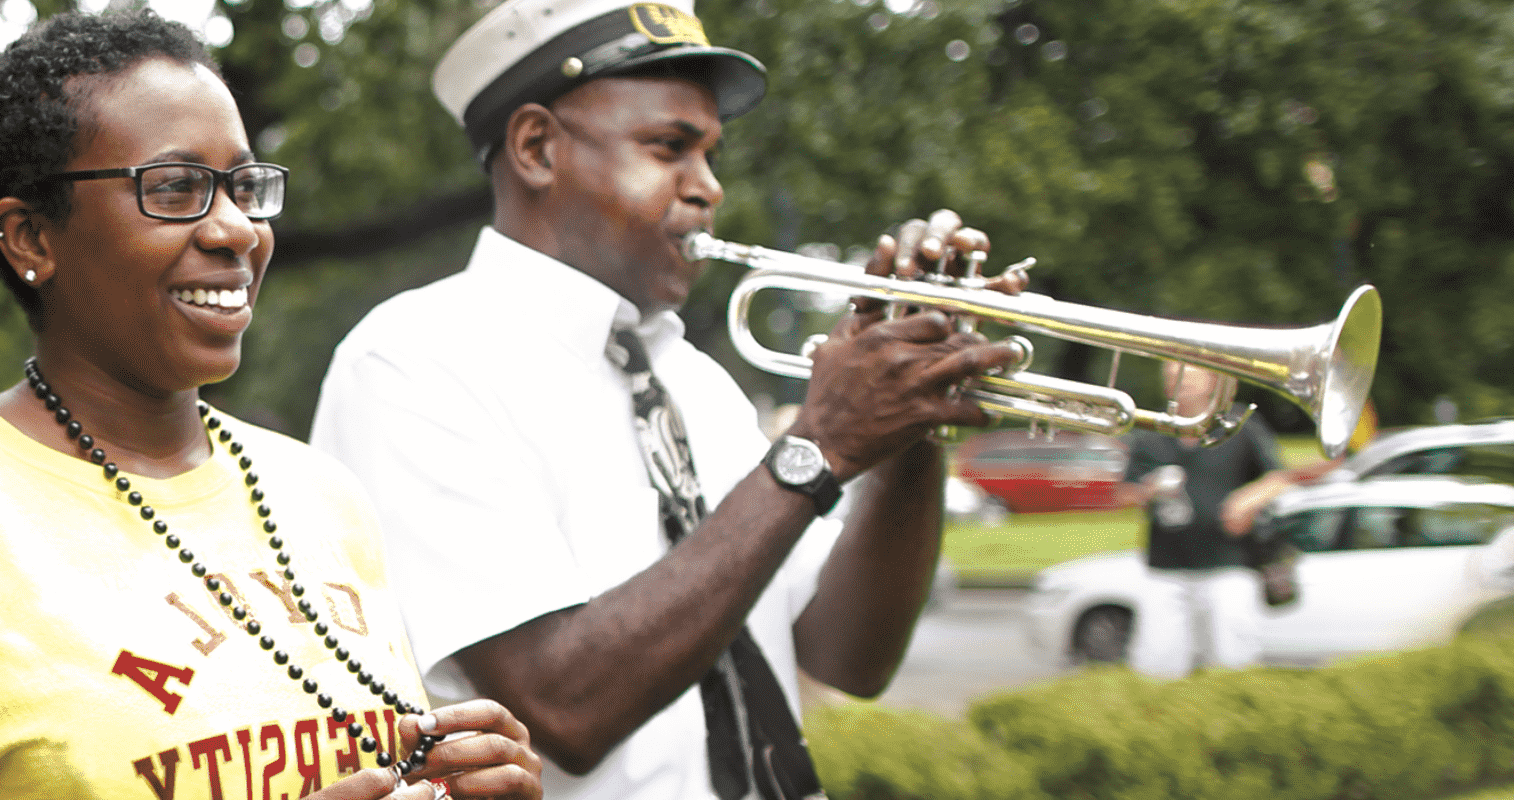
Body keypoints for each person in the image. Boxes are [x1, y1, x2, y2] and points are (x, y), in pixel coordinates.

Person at [0, 11, 547, 800]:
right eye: (175, 188)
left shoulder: (322, 494)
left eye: (244, 186)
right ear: (30, 237)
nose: (237, 229)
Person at [310, 1, 1027, 798]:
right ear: (537, 148)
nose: (709, 188)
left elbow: (847, 658)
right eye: (669, 149)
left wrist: (911, 425)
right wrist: (817, 449)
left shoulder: (694, 379)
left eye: (713, 154)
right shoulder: (412, 361)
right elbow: (557, 709)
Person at [1115, 362, 1281, 678]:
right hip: (1166, 566)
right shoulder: (1153, 431)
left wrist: (1247, 500)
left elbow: (1277, 478)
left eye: (1188, 378)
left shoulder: (1238, 423)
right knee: (1156, 664)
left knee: (1234, 660)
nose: (1179, 385)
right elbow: (1123, 494)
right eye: (1171, 378)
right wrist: (1148, 491)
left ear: (1211, 382)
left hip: (1229, 563)